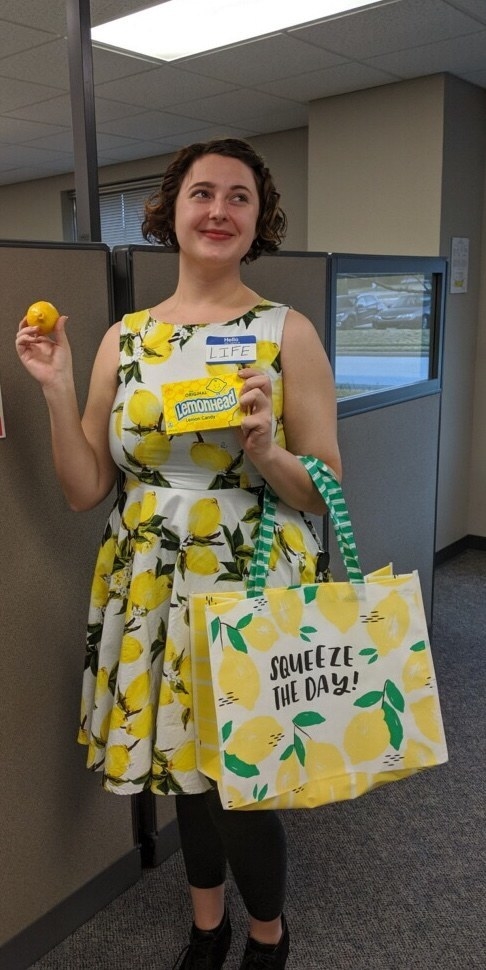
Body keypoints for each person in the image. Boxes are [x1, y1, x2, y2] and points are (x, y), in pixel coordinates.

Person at [16, 138, 341, 970]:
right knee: (183, 775)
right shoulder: (124, 340)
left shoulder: (285, 332)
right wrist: (54, 385)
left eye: (239, 197)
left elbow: (326, 488)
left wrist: (268, 451)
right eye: (203, 193)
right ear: (172, 212)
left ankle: (269, 937)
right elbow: (87, 488)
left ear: (257, 219)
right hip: (151, 580)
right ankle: (208, 927)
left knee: (238, 782)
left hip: (247, 578)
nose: (219, 211)